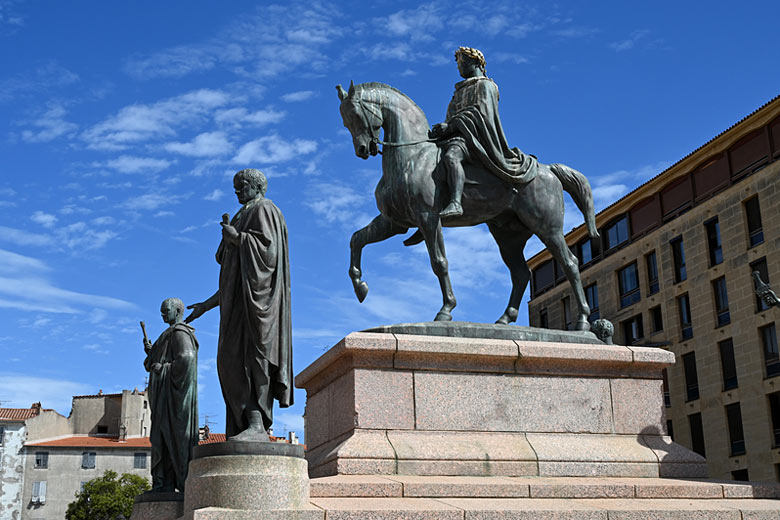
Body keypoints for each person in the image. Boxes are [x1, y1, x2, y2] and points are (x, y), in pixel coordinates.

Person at [186, 168, 292, 442]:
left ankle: (257, 422)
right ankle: (243, 422)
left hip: (258, 306)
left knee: (252, 360)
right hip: (236, 306)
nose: (236, 191)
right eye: (235, 186)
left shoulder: (264, 209)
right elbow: (233, 279)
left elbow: (268, 255)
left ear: (257, 186)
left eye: (241, 185)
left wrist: (238, 239)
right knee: (228, 362)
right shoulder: (241, 214)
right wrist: (207, 305)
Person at [429, 46, 538, 217]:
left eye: (461, 63)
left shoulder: (486, 85)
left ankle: (456, 203)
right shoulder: (459, 90)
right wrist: (441, 130)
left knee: (451, 157)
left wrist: (450, 127)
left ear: (475, 63)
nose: (458, 68)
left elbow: (482, 114)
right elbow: (451, 117)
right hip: (455, 136)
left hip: (475, 138)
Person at [143, 297, 199, 492]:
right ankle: (162, 483)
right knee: (160, 438)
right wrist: (152, 353)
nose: (162, 314)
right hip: (163, 398)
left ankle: (171, 482)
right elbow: (150, 363)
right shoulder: (167, 334)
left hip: (174, 398)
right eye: (161, 311)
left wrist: (162, 368)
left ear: (177, 311)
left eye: (166, 310)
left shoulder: (180, 332)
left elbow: (186, 359)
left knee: (170, 437)